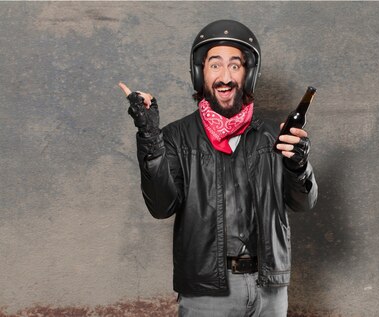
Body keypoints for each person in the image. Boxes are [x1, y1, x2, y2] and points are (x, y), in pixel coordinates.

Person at [118, 20, 318, 317]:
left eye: (235, 66)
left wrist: (298, 166)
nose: (225, 76)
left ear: (248, 74)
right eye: (215, 65)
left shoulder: (272, 137)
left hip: (269, 290)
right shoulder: (175, 137)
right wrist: (150, 140)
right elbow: (161, 206)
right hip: (206, 292)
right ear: (200, 72)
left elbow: (303, 202)